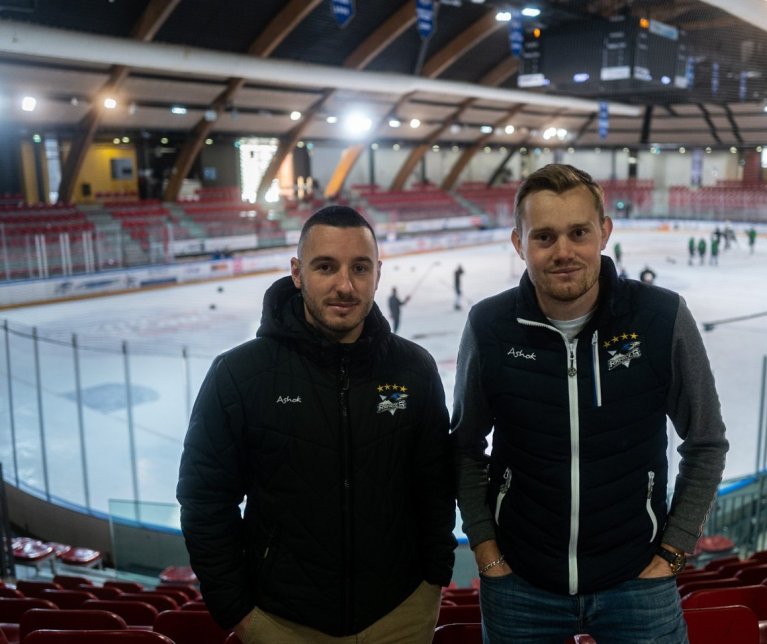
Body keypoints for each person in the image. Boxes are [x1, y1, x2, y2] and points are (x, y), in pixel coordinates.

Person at [452, 164, 728, 643]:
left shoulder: (661, 318)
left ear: (604, 232)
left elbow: (705, 441)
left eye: (578, 233)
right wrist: (487, 551)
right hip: (520, 587)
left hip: (639, 583)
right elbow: (464, 445)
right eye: (544, 237)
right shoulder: (489, 326)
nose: (564, 252)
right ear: (519, 244)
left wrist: (674, 552)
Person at [178, 205, 456, 644]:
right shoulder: (239, 374)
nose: (344, 285)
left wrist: (432, 582)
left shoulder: (414, 369)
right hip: (281, 621)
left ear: (378, 274)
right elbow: (204, 500)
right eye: (325, 266)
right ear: (297, 272)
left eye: (359, 268)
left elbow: (436, 483)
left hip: (400, 614)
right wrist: (239, 611)